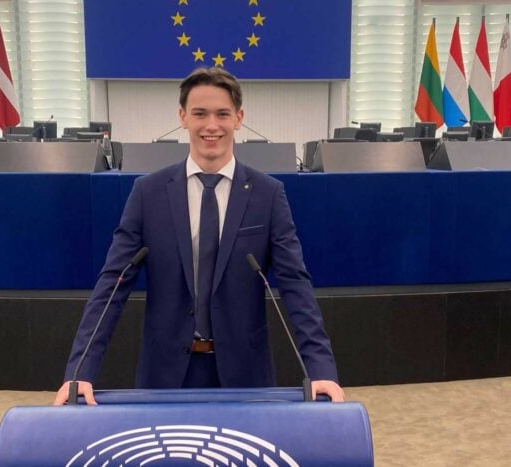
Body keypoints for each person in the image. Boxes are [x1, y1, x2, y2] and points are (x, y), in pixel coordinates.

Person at [54, 67, 344, 405]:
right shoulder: (148, 193)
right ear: (183, 117)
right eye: (200, 114)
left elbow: (296, 286)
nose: (211, 125)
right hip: (164, 376)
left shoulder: (268, 195)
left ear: (239, 118)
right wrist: (79, 372)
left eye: (222, 114)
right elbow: (112, 285)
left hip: (245, 378)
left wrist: (321, 368)